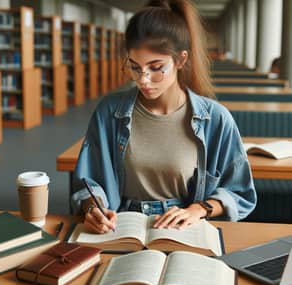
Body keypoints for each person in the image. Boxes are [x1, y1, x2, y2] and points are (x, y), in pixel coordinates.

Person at [71, 0, 257, 234]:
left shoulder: (215, 119)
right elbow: (88, 184)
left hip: (184, 227)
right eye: (135, 67)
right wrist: (92, 209)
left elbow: (239, 191)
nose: (143, 80)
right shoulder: (109, 112)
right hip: (122, 226)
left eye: (156, 67)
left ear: (180, 60)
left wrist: (198, 209)